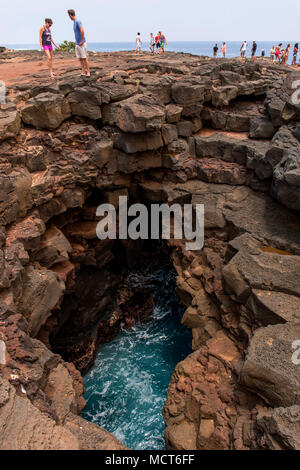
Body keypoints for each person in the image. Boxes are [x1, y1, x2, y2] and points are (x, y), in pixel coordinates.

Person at [67, 9, 90, 77]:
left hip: (81, 43)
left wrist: (82, 41)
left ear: (70, 15)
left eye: (69, 16)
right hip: (77, 43)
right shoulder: (74, 22)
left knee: (84, 58)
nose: (69, 17)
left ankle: (88, 72)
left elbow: (82, 30)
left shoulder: (78, 21)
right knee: (80, 58)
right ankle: (83, 71)